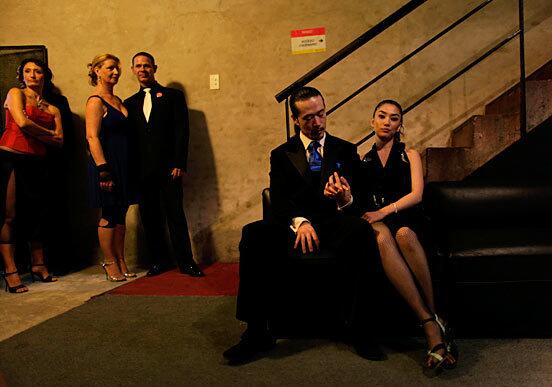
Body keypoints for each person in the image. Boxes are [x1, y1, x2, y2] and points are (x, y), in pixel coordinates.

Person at [223, 86, 383, 364]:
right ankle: (257, 332)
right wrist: (301, 222)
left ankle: (361, 329)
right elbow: (280, 202)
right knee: (254, 234)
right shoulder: (281, 153)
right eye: (309, 118)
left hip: (335, 222)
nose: (317, 122)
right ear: (296, 119)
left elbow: (360, 201)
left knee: (362, 232)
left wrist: (346, 199)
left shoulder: (346, 150)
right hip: (296, 227)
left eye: (321, 114)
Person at [359, 100, 458, 372]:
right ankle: (431, 323)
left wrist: (385, 210)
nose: (386, 122)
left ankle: (434, 317)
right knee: (380, 238)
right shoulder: (363, 161)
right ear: (372, 121)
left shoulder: (410, 154)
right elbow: (360, 202)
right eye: (381, 116)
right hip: (377, 220)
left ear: (399, 126)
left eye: (394, 118)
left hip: (407, 217)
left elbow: (417, 195)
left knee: (403, 233)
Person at [123, 52, 202, 278]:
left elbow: (181, 131)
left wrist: (179, 162)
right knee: (149, 217)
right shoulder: (129, 103)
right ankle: (158, 261)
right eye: (138, 66)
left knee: (175, 214)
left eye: (147, 65)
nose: (143, 69)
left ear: (154, 68)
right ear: (133, 70)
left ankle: (186, 262)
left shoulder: (172, 96)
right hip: (142, 170)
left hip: (169, 168)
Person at [1, 58, 63, 293]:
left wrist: (43, 135)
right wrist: (48, 133)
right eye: (28, 71)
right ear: (22, 75)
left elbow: (60, 141)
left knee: (37, 213)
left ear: (45, 76)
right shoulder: (15, 92)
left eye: (38, 71)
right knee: (10, 215)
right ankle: (11, 270)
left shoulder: (52, 108)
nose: (33, 75)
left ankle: (38, 264)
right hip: (11, 157)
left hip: (38, 161)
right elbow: (22, 122)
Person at [85, 54, 136, 282]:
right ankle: (109, 261)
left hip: (124, 163)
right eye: (110, 68)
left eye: (118, 69)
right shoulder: (96, 101)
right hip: (107, 164)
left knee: (121, 212)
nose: (116, 72)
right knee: (109, 213)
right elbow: (92, 136)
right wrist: (103, 169)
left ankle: (121, 259)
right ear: (97, 70)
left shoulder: (117, 100)